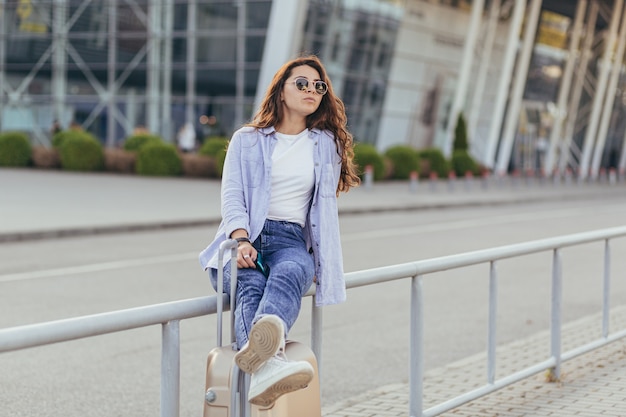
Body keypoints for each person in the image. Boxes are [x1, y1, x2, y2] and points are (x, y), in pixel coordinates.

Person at [198, 55, 360, 407]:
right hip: (244, 236)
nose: (311, 90)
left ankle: (261, 366)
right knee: (250, 282)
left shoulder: (325, 144)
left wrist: (322, 258)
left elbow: (323, 210)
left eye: (319, 86)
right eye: (301, 83)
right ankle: (268, 366)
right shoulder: (247, 139)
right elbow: (232, 195)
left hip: (289, 239)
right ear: (281, 92)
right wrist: (241, 241)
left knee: (293, 270)